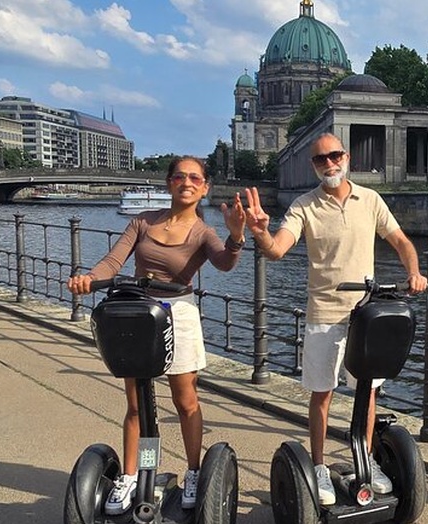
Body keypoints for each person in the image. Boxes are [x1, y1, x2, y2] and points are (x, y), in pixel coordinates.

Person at [244, 132, 428, 505]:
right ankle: (318, 466)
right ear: (314, 166)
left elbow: (401, 242)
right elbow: (278, 249)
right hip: (324, 313)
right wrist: (261, 233)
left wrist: (415, 272)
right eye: (320, 159)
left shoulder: (370, 200)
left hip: (367, 314)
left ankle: (367, 459)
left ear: (347, 157)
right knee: (322, 394)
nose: (329, 163)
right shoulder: (304, 207)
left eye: (334, 155)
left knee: (368, 390)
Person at [68, 156, 246, 515]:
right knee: (137, 404)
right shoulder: (143, 222)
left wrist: (237, 235)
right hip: (136, 312)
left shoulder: (202, 232)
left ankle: (194, 472)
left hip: (177, 313)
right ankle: (134, 474)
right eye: (179, 176)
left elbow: (225, 262)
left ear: (204, 187)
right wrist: (89, 277)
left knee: (185, 400)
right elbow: (113, 261)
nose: (187, 181)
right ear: (169, 183)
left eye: (195, 177)